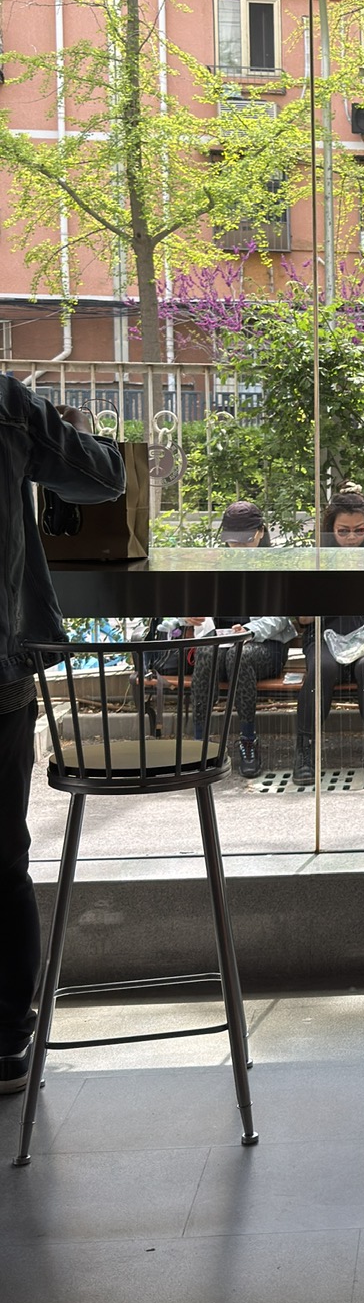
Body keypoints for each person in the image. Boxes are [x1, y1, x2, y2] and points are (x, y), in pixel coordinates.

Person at [0, 377, 124, 1093]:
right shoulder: (7, 404)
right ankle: (5, 1041)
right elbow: (103, 478)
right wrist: (69, 427)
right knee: (0, 860)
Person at [293, 489, 364, 786]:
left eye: (359, 530)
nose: (352, 538)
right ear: (331, 530)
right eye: (343, 531)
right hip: (328, 637)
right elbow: (303, 619)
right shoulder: (318, 559)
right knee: (322, 668)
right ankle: (305, 750)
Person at [186, 500, 296, 777]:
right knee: (206, 651)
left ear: (261, 532)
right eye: (233, 541)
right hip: (220, 644)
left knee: (239, 655)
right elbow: (187, 609)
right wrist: (188, 616)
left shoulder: (274, 566)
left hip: (264, 647)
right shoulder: (216, 565)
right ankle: (200, 743)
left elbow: (281, 617)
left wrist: (250, 631)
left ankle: (248, 739)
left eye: (246, 540)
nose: (239, 547)